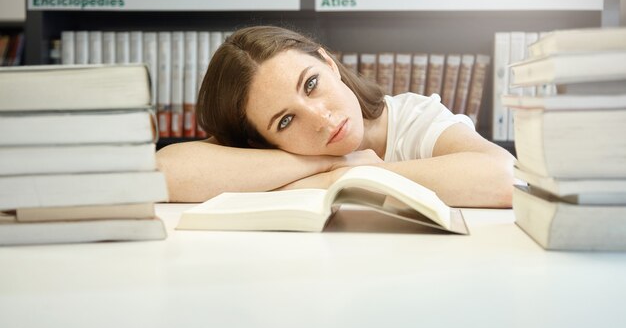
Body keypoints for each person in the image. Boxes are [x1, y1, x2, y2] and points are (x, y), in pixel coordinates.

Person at [157, 26, 515, 207]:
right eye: (285, 121)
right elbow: (164, 172)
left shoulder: (411, 118)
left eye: (311, 84)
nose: (320, 118)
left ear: (330, 64)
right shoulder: (271, 156)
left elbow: (505, 177)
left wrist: (355, 175)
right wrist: (325, 168)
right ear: (261, 142)